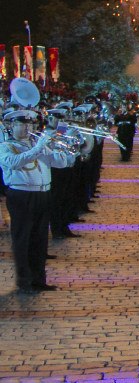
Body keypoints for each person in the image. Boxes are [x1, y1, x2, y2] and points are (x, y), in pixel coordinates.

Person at [0, 108, 74, 293]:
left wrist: (67, 147)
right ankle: (25, 281)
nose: (28, 128)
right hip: (21, 195)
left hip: (43, 193)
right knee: (23, 238)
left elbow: (60, 163)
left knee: (40, 238)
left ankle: (39, 280)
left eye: (30, 124)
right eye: (22, 124)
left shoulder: (37, 143)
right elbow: (14, 162)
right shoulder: (6, 146)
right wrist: (38, 148)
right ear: (12, 126)